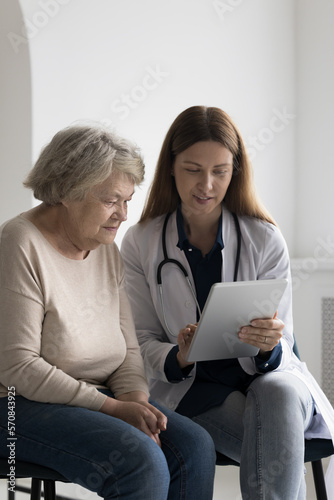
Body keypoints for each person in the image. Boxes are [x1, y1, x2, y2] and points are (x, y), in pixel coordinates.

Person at [121, 106, 334, 499]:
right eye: (193, 169)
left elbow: (282, 342)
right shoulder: (141, 242)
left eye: (220, 170)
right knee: (273, 445)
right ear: (171, 166)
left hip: (265, 379)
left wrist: (268, 344)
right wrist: (180, 356)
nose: (206, 184)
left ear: (235, 170)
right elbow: (140, 339)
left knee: (279, 392)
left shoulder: (264, 238)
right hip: (195, 390)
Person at [0, 124, 216, 500]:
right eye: (111, 200)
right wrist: (114, 408)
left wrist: (134, 399)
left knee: (195, 447)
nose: (123, 215)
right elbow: (17, 368)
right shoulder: (19, 244)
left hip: (95, 397)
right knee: (140, 459)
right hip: (17, 406)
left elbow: (127, 349)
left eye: (128, 200)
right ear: (68, 190)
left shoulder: (104, 249)